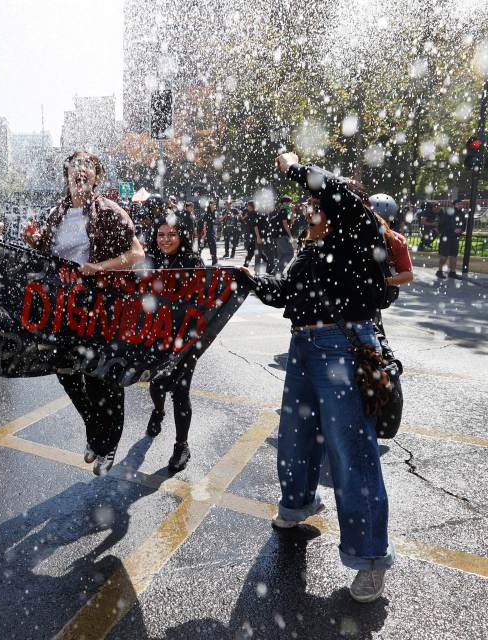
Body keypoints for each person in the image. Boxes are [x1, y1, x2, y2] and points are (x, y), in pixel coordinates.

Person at [246, 151, 394, 604]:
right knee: (295, 433)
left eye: (314, 202)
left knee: (350, 449)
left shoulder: (356, 229)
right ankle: (298, 504)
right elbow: (285, 294)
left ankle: (369, 557)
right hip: (304, 346)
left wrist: (294, 166)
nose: (307, 208)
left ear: (336, 202)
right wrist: (246, 277)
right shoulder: (311, 250)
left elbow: (330, 189)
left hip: (341, 347)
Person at [23, 150, 145, 475]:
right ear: (66, 175)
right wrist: (34, 241)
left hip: (101, 307)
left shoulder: (109, 211)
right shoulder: (57, 213)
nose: (80, 172)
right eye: (75, 167)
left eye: (87, 168)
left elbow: (136, 254)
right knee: (66, 372)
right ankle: (96, 434)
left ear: (96, 177)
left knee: (103, 377)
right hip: (63, 310)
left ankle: (108, 442)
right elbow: (47, 252)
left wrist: (100, 267)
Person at [144, 213, 204, 472]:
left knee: (181, 391)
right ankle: (158, 412)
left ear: (182, 236)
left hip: (185, 339)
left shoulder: (193, 262)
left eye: (172, 234)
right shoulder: (149, 260)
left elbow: (206, 297)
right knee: (156, 386)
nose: (166, 239)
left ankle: (182, 445)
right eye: (161, 234)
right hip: (155, 337)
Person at [436, 201, 464, 279]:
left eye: (461, 204)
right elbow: (442, 224)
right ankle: (439, 271)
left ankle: (452, 272)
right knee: (444, 255)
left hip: (455, 237)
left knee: (454, 255)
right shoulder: (448, 213)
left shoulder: (461, 214)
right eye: (458, 204)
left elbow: (463, 224)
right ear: (454, 205)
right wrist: (453, 230)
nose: (460, 205)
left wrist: (461, 230)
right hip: (446, 237)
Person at [200, 200, 219, 265]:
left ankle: (214, 261)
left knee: (212, 246)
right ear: (210, 205)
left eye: (215, 204)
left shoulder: (213, 213)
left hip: (211, 232)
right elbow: (204, 224)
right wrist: (205, 234)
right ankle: (196, 258)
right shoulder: (207, 213)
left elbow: (214, 223)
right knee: (209, 246)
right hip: (208, 232)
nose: (215, 206)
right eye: (214, 204)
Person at [241, 201, 258, 269]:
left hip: (254, 235)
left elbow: (254, 225)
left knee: (252, 251)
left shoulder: (252, 214)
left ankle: (245, 265)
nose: (247, 207)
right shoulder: (253, 213)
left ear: (250, 206)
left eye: (248, 206)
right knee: (253, 251)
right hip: (253, 235)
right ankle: (246, 265)